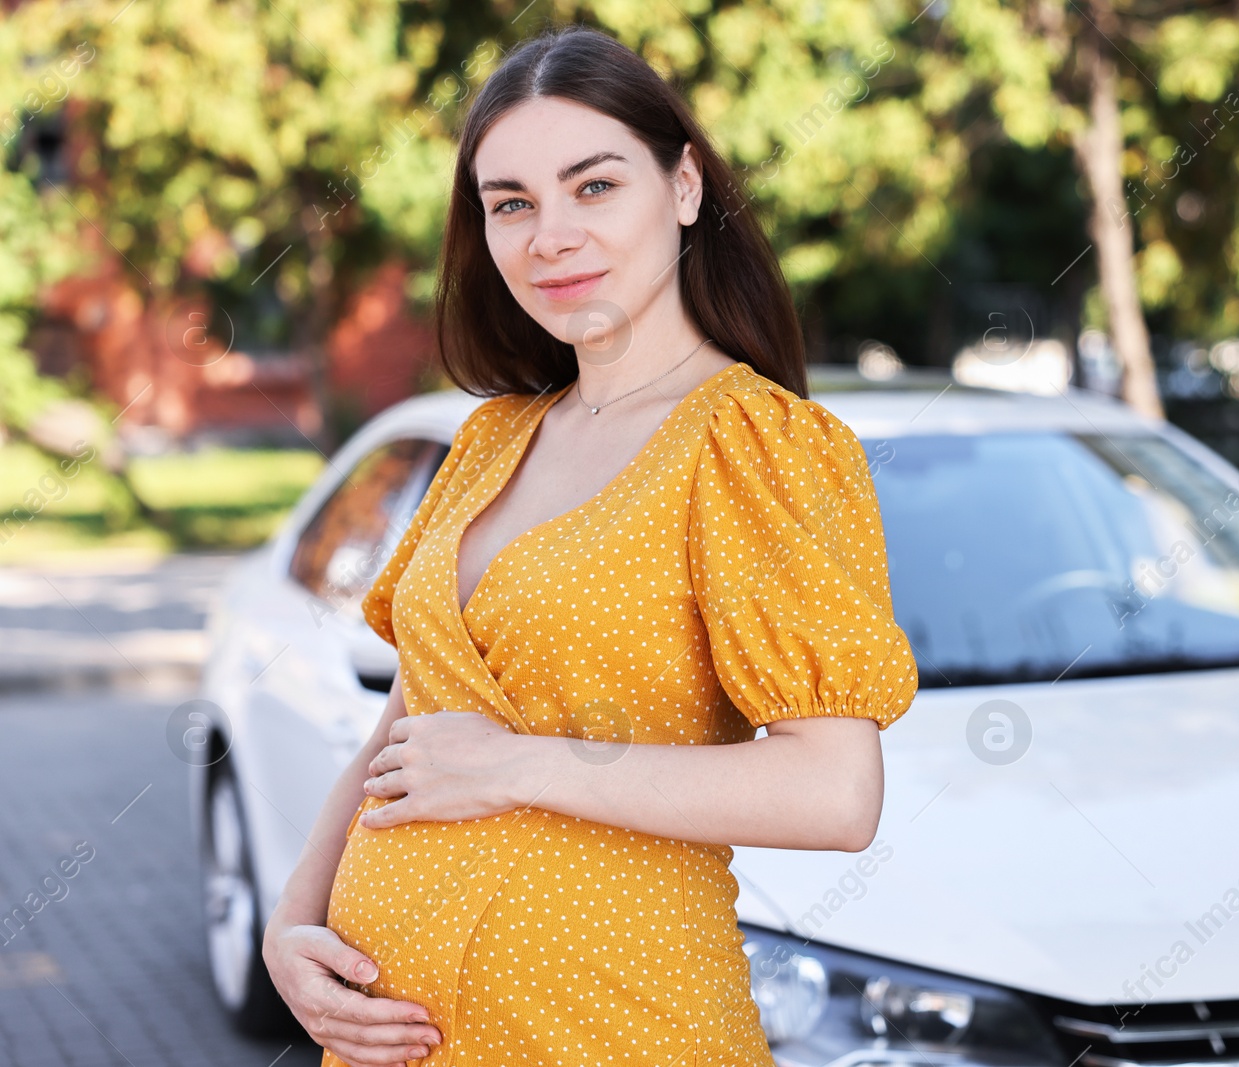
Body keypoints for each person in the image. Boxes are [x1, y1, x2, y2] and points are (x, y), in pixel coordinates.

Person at [261, 24, 920, 1067]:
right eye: (510, 203)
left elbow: (834, 793)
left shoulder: (755, 445)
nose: (548, 235)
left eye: (594, 186)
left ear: (686, 186)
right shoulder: (490, 438)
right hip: (396, 1037)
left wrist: (522, 766)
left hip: (615, 1028)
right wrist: (291, 923)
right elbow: (412, 726)